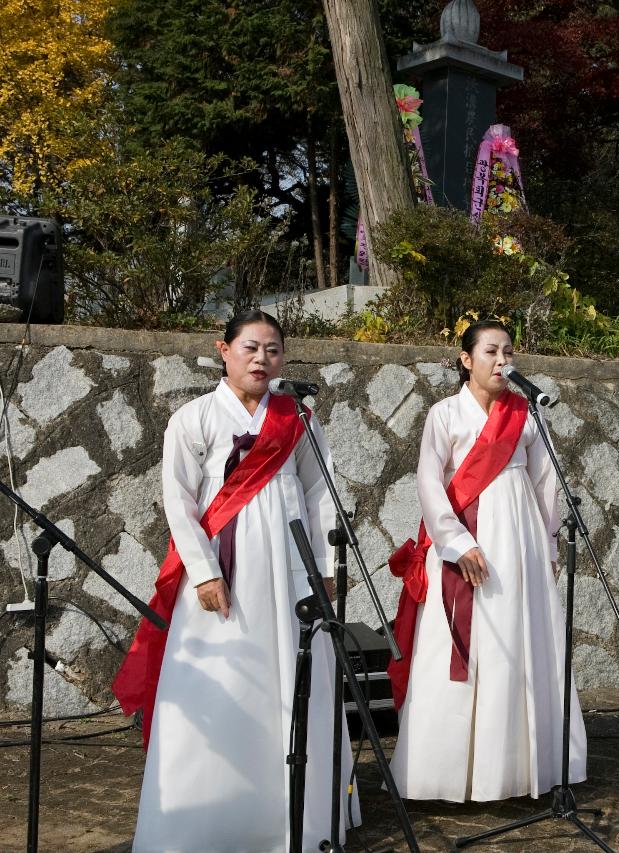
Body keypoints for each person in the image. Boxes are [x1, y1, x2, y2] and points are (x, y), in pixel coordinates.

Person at [115, 309, 360, 852]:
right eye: (250, 347)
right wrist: (203, 572)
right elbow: (179, 503)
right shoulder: (194, 417)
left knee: (295, 681)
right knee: (224, 680)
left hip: (291, 565)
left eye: (273, 350)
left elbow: (320, 492)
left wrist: (324, 568)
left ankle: (300, 818)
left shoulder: (299, 417)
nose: (262, 359)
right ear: (222, 350)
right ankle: (207, 819)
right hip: (224, 567)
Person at [387, 320, 585, 801]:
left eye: (508, 352)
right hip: (467, 539)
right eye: (491, 351)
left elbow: (546, 483)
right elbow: (429, 484)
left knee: (523, 641)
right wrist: (456, 544)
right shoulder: (444, 414)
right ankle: (450, 771)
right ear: (465, 359)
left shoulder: (527, 413)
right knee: (461, 646)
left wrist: (550, 543)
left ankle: (522, 767)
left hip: (521, 539)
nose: (502, 361)